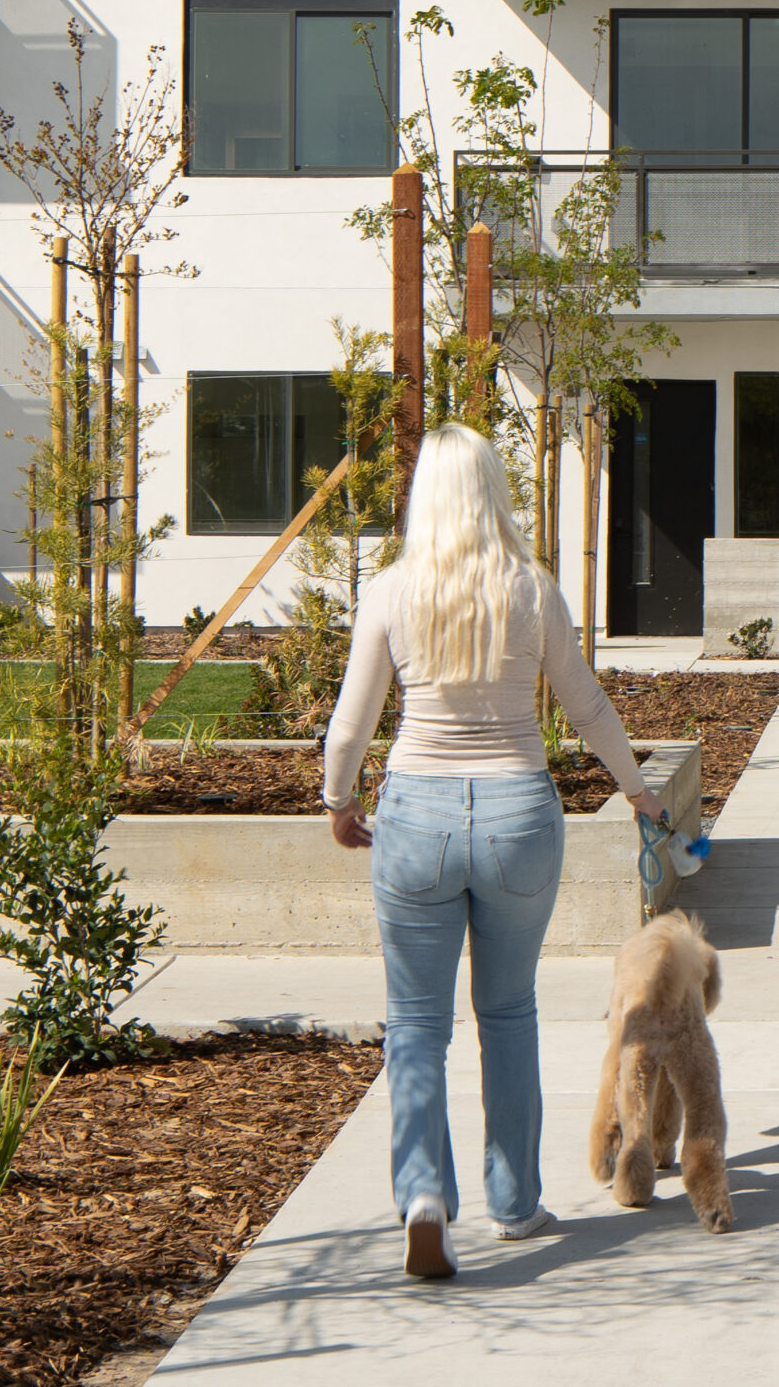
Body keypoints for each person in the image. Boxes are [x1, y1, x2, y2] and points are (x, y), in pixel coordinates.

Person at [324, 419, 666, 1278]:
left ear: (421, 500)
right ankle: (515, 1205)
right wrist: (635, 788)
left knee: (416, 1024)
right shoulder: (531, 586)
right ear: (489, 491)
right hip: (518, 816)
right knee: (508, 1015)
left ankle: (425, 1198)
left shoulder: (392, 591)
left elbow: (350, 725)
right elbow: (585, 704)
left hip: (415, 819)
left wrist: (338, 799)